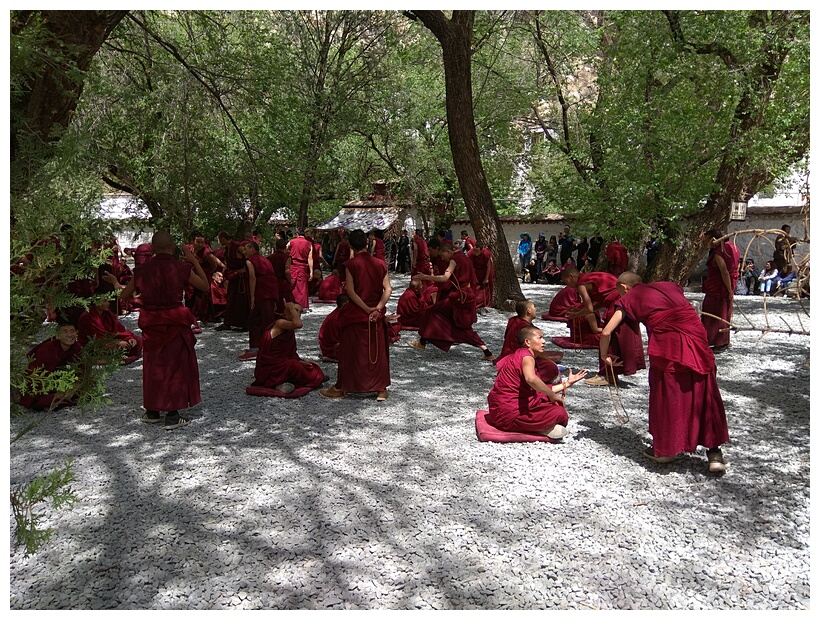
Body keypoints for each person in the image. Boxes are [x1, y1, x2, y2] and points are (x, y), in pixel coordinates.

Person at [599, 272, 729, 474]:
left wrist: (605, 354)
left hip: (668, 348)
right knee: (705, 392)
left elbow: (607, 331)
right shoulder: (670, 286)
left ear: (624, 287)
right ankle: (714, 454)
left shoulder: (630, 297)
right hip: (697, 341)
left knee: (669, 396)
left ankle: (666, 450)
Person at [120, 231, 209, 430]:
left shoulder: (142, 270)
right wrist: (194, 260)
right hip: (175, 323)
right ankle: (172, 415)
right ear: (172, 247)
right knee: (174, 367)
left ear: (152, 248)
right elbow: (205, 286)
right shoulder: (181, 267)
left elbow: (125, 295)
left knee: (154, 367)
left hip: (152, 323)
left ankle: (152, 411)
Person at [320, 229, 392, 401]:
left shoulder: (351, 264)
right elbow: (388, 289)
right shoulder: (380, 263)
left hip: (357, 313)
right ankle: (381, 389)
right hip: (376, 313)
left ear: (350, 245)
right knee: (377, 350)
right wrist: (377, 308)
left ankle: (341, 388)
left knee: (351, 352)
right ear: (367, 243)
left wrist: (367, 309)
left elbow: (350, 292)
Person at [487, 324, 587, 438]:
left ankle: (537, 426)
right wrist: (552, 395)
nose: (544, 341)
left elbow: (539, 389)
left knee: (551, 403)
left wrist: (567, 383)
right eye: (540, 338)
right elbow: (531, 379)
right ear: (527, 342)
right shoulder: (527, 357)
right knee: (560, 414)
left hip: (498, 410)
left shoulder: (521, 355)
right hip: (509, 415)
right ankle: (538, 428)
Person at [409, 241, 495, 360]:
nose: (443, 258)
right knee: (457, 323)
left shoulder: (454, 260)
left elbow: (445, 278)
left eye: (443, 255)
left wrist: (425, 277)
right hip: (466, 294)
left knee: (432, 312)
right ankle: (487, 352)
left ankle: (423, 342)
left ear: (448, 251)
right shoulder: (464, 257)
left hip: (457, 297)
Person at [561, 266, 645, 385]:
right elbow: (601, 302)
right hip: (619, 302)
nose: (568, 285)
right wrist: (576, 313)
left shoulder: (581, 284)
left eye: (566, 282)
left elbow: (589, 309)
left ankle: (605, 375)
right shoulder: (592, 276)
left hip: (616, 305)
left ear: (571, 276)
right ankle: (613, 373)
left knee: (608, 338)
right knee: (618, 337)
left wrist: (575, 315)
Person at [248, 302, 326, 397]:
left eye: (299, 312)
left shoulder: (289, 329)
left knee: (312, 366)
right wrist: (291, 308)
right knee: (294, 366)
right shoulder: (280, 323)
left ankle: (302, 379)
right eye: (295, 310)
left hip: (283, 364)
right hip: (270, 368)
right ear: (286, 312)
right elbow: (298, 324)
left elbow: (291, 353)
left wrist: (301, 361)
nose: (297, 314)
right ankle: (277, 384)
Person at [18, 319, 83, 410]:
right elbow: (33, 373)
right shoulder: (47, 349)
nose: (69, 335)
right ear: (57, 335)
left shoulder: (76, 347)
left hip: (59, 382)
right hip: (40, 384)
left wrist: (74, 386)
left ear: (77, 333)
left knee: (84, 391)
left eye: (72, 331)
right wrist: (55, 391)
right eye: (65, 331)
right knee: (45, 400)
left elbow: (82, 368)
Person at [496, 300, 563, 383]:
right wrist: (551, 361)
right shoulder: (524, 327)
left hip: (507, 356)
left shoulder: (513, 320)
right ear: (528, 311)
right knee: (551, 367)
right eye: (534, 307)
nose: (536, 309)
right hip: (518, 358)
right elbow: (529, 349)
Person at [701, 229, 740, 352]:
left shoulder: (719, 252)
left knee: (714, 312)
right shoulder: (734, 247)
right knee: (725, 311)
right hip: (728, 283)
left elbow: (724, 271)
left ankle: (715, 341)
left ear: (713, 239)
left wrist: (729, 290)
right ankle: (724, 340)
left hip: (719, 286)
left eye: (707, 240)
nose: (706, 243)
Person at [240, 241, 279, 361]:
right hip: (271, 290)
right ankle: (265, 346)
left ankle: (257, 348)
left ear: (252, 249)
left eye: (246, 248)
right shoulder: (265, 260)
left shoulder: (250, 261)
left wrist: (252, 296)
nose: (244, 251)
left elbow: (252, 277)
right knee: (266, 318)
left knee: (255, 319)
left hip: (261, 292)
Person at [77, 297, 143, 364]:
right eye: (105, 301)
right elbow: (96, 339)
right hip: (95, 346)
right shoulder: (86, 317)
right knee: (110, 348)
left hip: (112, 340)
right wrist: (117, 343)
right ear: (96, 303)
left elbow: (120, 329)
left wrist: (129, 338)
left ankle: (116, 355)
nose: (108, 304)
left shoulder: (108, 313)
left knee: (137, 340)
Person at [213, 231, 250, 332]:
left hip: (241, 278)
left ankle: (244, 324)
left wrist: (245, 268)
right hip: (233, 276)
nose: (219, 241)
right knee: (231, 299)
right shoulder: (227, 249)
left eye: (220, 239)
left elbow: (248, 256)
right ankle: (228, 322)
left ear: (223, 238)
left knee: (242, 300)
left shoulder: (238, 246)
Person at [287, 227, 313, 311]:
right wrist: (311, 272)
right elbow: (310, 258)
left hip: (293, 265)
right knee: (302, 287)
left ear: (297, 234)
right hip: (303, 266)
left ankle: (292, 304)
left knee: (292, 285)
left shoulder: (291, 242)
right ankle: (302, 306)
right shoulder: (309, 243)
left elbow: (286, 249)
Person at [267, 237, 295, 313]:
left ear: (276, 246)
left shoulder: (269, 257)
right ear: (285, 247)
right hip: (283, 282)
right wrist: (290, 281)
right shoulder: (286, 257)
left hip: (272, 281)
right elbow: (287, 271)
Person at [318, 294, 348, 362]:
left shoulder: (342, 313)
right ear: (344, 304)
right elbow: (335, 340)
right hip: (331, 349)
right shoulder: (334, 319)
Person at [468, 241, 494, 308]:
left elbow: (489, 266)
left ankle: (484, 304)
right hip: (475, 270)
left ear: (481, 250)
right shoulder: (471, 253)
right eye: (475, 251)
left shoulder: (486, 253)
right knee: (475, 287)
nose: (475, 253)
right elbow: (471, 266)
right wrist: (474, 277)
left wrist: (486, 278)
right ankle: (475, 304)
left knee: (485, 287)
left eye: (477, 252)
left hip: (485, 270)